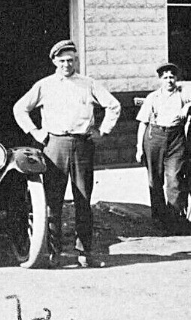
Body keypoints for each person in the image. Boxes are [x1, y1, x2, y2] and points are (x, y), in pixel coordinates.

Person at [12, 39, 122, 267]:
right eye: (62, 61)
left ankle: (85, 253)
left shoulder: (88, 84)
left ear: (76, 61)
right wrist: (36, 132)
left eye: (70, 60)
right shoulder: (45, 85)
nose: (66, 64)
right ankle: (55, 253)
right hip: (55, 145)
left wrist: (103, 131)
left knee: (83, 200)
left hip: (82, 144)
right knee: (53, 201)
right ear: (54, 61)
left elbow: (114, 106)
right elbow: (20, 108)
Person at [136, 62, 191, 232]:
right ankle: (158, 218)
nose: (169, 80)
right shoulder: (153, 97)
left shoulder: (182, 92)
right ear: (160, 79)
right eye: (165, 77)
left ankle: (173, 219)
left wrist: (188, 105)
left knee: (174, 180)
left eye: (172, 77)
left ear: (176, 78)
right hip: (154, 137)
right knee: (155, 180)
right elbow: (143, 123)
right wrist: (139, 147)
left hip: (176, 139)